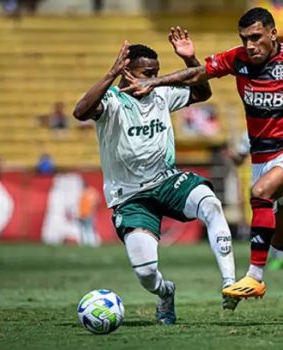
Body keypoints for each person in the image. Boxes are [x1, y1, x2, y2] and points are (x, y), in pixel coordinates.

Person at [123, 7, 283, 299]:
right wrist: (161, 76)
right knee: (281, 238)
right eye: (244, 39)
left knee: (260, 192)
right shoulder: (238, 58)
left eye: (256, 37)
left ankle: (254, 277)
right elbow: (198, 75)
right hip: (261, 156)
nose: (250, 45)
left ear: (273, 33)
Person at [73, 27, 238, 325]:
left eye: (156, 71)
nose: (153, 77)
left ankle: (230, 283)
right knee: (146, 274)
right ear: (127, 71)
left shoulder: (161, 92)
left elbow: (203, 92)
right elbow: (80, 111)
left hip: (166, 181)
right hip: (130, 197)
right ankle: (165, 292)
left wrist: (190, 60)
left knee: (211, 205)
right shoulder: (111, 101)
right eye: (146, 72)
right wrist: (110, 74)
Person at [224, 132, 283, 270]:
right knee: (261, 221)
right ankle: (264, 257)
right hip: (257, 183)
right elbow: (240, 160)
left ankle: (277, 256)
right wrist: (232, 155)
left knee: (275, 219)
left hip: (275, 180)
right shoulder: (247, 135)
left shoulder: (276, 129)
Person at [77, 180, 101, 247]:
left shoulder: (87, 193)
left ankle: (92, 243)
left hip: (88, 214)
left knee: (89, 229)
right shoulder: (90, 192)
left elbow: (96, 202)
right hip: (84, 214)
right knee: (87, 229)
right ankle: (88, 243)